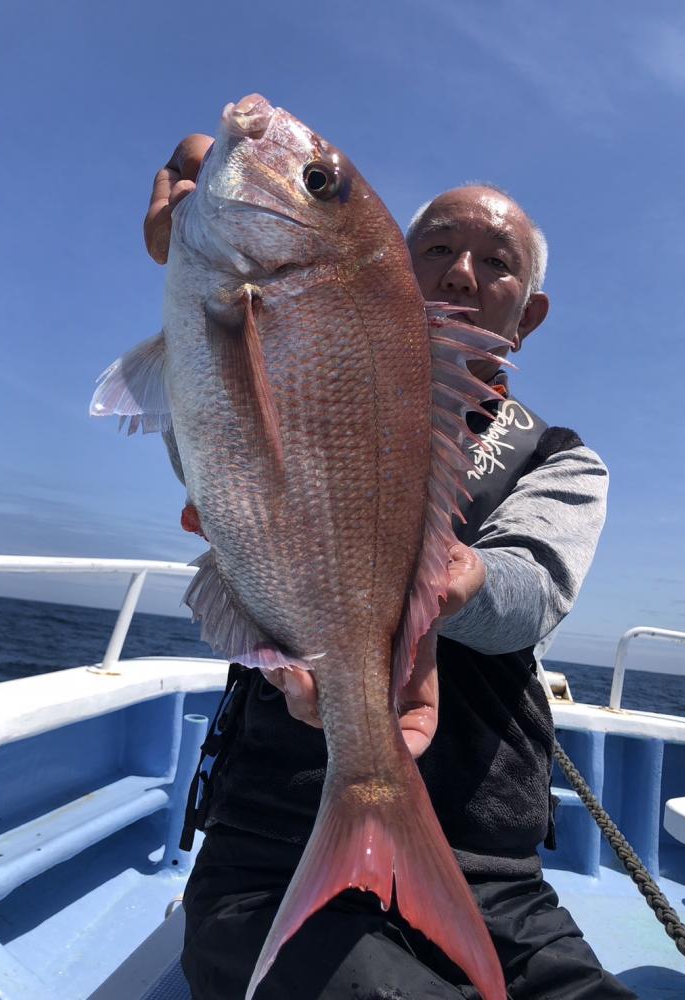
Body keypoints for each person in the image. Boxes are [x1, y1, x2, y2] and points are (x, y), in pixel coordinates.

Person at [144, 137, 636, 1000]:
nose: (461, 272)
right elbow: (210, 451)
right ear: (394, 270)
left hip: (486, 869)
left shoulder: (561, 459)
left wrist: (444, 580)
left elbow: (533, 591)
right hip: (273, 839)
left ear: (530, 314)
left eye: (497, 262)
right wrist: (198, 274)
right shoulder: (301, 360)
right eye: (436, 248)